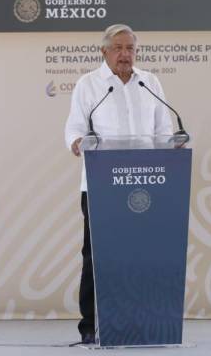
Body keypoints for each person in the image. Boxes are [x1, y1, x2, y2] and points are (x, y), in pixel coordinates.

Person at [64, 24, 173, 344]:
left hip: (147, 184)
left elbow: (163, 130)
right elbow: (74, 130)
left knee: (144, 253)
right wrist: (77, 143)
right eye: (119, 48)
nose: (125, 54)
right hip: (101, 185)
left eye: (130, 49)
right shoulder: (89, 85)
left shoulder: (149, 82)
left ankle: (145, 319)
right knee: (96, 256)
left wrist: (174, 143)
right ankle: (90, 326)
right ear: (104, 51)